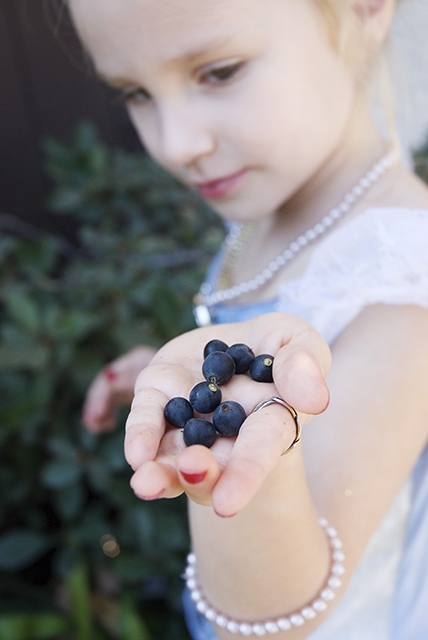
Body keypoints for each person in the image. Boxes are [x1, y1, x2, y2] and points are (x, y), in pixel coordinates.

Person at [69, 0, 428, 637]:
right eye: (135, 92)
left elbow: (278, 621)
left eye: (220, 71)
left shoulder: (403, 288)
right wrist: (199, 386)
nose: (177, 144)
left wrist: (237, 460)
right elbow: (264, 346)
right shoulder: (271, 211)